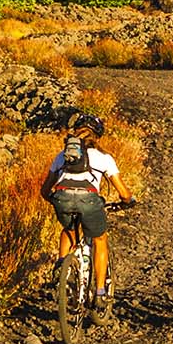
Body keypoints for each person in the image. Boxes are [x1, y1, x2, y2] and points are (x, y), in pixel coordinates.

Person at [41, 111, 134, 317]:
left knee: (68, 229)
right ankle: (100, 292)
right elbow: (124, 193)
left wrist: (57, 200)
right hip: (90, 201)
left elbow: (45, 190)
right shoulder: (104, 158)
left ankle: (62, 266)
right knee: (100, 239)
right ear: (98, 136)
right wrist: (128, 201)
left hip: (62, 199)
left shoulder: (62, 156)